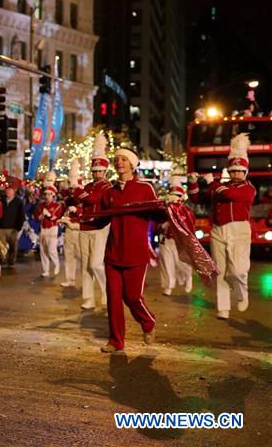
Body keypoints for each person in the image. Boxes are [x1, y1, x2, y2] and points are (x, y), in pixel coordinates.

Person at [97, 148, 159, 353]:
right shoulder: (110, 192)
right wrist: (76, 223)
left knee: (132, 297)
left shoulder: (145, 188)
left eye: (124, 159)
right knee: (114, 299)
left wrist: (169, 209)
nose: (119, 163)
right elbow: (100, 219)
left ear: (132, 164)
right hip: (113, 254)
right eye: (116, 160)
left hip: (136, 254)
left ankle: (148, 322)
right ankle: (116, 340)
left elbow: (158, 215)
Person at [188, 133, 255, 319]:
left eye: (240, 170)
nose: (236, 174)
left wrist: (211, 182)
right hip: (218, 230)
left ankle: (242, 294)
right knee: (220, 271)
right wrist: (193, 183)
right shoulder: (219, 188)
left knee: (238, 270)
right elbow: (196, 198)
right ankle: (223, 308)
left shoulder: (248, 188)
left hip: (239, 230)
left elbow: (230, 196)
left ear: (245, 172)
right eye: (233, 170)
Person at [75, 134, 112, 310]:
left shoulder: (107, 187)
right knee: (85, 266)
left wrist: (78, 191)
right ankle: (88, 298)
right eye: (95, 170)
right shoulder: (88, 187)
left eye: (100, 171)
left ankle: (106, 292)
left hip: (99, 228)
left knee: (96, 264)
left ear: (105, 171)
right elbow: (77, 200)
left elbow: (91, 199)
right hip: (84, 227)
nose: (97, 173)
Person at [159, 177, 193, 296]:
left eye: (178, 195)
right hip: (165, 239)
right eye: (173, 195)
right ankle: (169, 285)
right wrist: (162, 226)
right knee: (166, 264)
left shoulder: (187, 210)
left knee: (182, 264)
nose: (175, 198)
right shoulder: (163, 209)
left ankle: (187, 277)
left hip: (180, 241)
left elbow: (189, 225)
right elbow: (157, 222)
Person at [59, 160, 83, 288]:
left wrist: (78, 210)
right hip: (69, 228)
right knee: (68, 255)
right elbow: (64, 211)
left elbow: (86, 210)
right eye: (71, 188)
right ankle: (70, 279)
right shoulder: (68, 199)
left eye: (74, 188)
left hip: (79, 229)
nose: (72, 190)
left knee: (81, 256)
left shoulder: (82, 196)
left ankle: (87, 279)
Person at [35, 172, 64, 278]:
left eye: (49, 194)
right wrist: (42, 215)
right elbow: (37, 217)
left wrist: (48, 214)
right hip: (43, 228)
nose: (47, 196)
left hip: (53, 228)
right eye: (46, 194)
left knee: (51, 249)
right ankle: (45, 270)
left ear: (53, 195)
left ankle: (57, 264)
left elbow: (54, 218)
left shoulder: (57, 205)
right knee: (43, 250)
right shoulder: (41, 205)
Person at [0, 186, 25, 268]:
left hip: (13, 227)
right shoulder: (2, 201)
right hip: (2, 227)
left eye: (10, 190)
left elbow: (21, 215)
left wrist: (18, 227)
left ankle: (11, 261)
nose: (8, 192)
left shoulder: (18, 202)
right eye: (7, 190)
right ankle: (3, 261)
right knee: (2, 245)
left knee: (13, 245)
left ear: (13, 192)